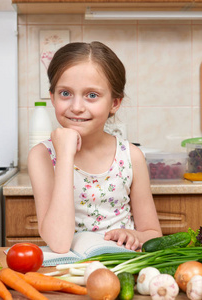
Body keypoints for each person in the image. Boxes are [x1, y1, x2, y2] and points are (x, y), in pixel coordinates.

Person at [27, 41, 162, 254]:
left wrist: (136, 236)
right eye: (65, 93)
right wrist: (64, 156)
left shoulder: (131, 157)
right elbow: (59, 243)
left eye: (92, 95)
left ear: (114, 103)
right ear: (52, 97)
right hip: (68, 272)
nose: (77, 107)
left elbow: (152, 233)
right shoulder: (42, 156)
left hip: (121, 266)